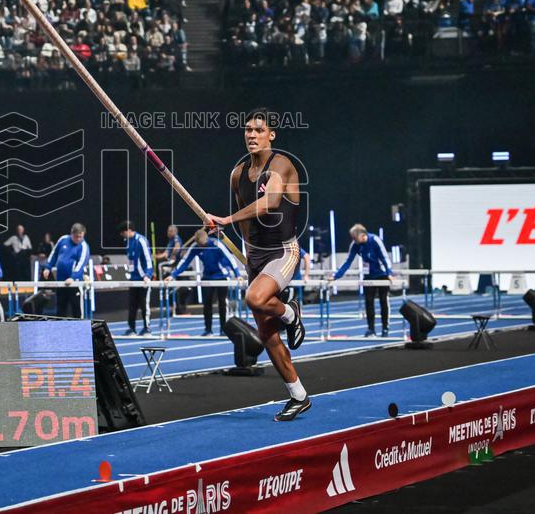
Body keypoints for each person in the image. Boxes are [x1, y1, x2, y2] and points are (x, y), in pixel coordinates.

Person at [205, 108, 309, 421]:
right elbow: (247, 222)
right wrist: (248, 254)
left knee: (254, 298)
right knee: (266, 334)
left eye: (259, 130)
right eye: (248, 130)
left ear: (271, 135)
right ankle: (299, 395)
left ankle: (290, 312)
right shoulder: (237, 174)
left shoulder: (282, 165)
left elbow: (269, 203)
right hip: (258, 256)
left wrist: (226, 219)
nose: (252, 135)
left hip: (284, 251)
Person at [165, 228, 242, 336]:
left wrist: (238, 275)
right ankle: (208, 329)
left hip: (222, 276)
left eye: (204, 245)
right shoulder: (195, 247)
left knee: (222, 304)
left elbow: (230, 259)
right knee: (207, 304)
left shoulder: (216, 244)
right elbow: (184, 262)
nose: (202, 248)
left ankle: (223, 330)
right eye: (200, 246)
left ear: (207, 240)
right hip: (207, 276)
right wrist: (173, 275)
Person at [329, 224, 393, 337]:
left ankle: (385, 328)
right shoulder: (355, 244)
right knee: (368, 302)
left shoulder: (375, 240)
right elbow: (348, 261)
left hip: (382, 275)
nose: (353, 240)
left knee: (383, 301)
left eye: (354, 238)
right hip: (368, 275)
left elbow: (384, 257)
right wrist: (336, 276)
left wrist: (389, 273)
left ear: (363, 235)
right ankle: (371, 329)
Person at [41, 223, 91, 318]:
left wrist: (73, 277)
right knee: (60, 309)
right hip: (61, 281)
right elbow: (54, 253)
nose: (79, 239)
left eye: (81, 237)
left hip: (74, 283)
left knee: (77, 310)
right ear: (71, 234)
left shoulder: (84, 246)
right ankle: (61, 332)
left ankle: (79, 332)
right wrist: (48, 267)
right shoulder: (63, 239)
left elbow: (81, 264)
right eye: (77, 237)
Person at [119, 220, 154, 336]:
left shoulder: (141, 241)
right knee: (132, 304)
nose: (122, 235)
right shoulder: (127, 242)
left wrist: (148, 275)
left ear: (128, 231)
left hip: (144, 278)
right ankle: (132, 328)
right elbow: (131, 260)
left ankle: (147, 327)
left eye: (123, 233)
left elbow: (148, 260)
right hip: (133, 278)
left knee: (144, 304)